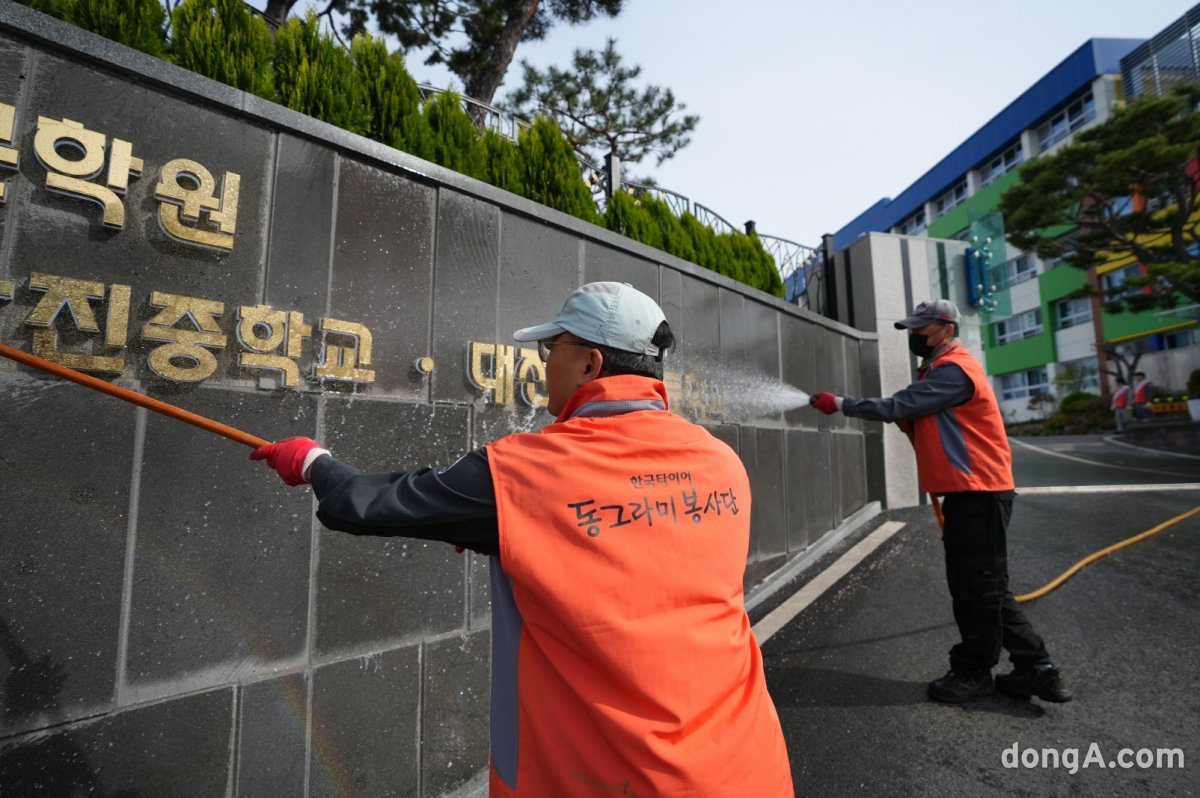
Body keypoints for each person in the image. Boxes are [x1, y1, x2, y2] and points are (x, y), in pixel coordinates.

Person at [251, 281, 794, 797]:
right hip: (747, 765)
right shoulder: (720, 462)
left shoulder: (527, 470)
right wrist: (517, 537)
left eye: (551, 348)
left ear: (590, 362)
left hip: (610, 779)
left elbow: (364, 504)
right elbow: (640, 550)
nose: (542, 363)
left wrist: (311, 460)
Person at [810, 299, 1071, 705]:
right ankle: (1035, 670)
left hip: (978, 493)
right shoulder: (940, 369)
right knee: (987, 587)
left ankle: (973, 673)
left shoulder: (955, 370)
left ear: (946, 329)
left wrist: (840, 403)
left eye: (922, 328)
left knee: (975, 591)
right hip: (972, 493)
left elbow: (898, 405)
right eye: (913, 329)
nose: (915, 336)